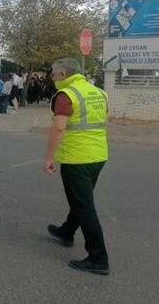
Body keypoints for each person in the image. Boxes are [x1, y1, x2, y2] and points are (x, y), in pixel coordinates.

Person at [43, 57, 110, 275]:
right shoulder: (98, 92)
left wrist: (49, 158)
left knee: (84, 206)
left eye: (54, 74)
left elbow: (58, 129)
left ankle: (98, 258)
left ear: (63, 74)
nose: (52, 78)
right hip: (98, 155)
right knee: (81, 199)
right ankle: (66, 231)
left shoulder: (66, 95)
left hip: (77, 158)